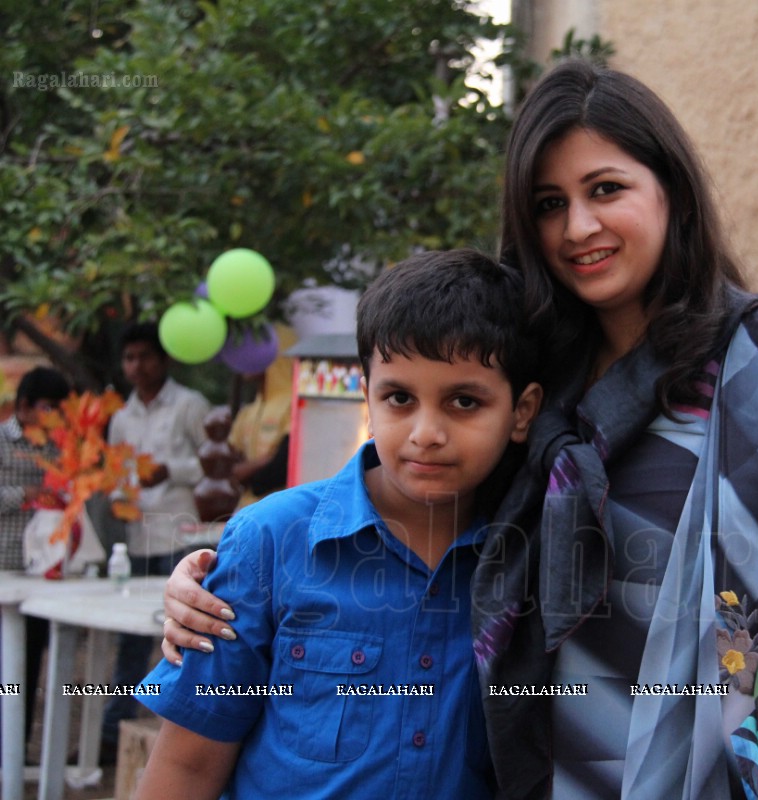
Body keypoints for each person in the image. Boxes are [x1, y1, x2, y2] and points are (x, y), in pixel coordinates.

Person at [160, 60, 758, 800]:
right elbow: (420, 516)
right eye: (548, 203)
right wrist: (226, 580)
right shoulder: (539, 373)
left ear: (671, 189)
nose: (578, 227)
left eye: (606, 189)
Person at [134, 250, 542, 799]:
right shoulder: (271, 541)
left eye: (464, 402)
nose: (426, 432)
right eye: (399, 397)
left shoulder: (530, 554)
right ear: (366, 394)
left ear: (521, 412)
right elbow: (186, 766)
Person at [102, 322, 212, 755]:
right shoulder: (121, 416)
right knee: (129, 637)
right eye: (129, 358)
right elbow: (117, 473)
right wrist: (116, 498)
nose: (137, 366)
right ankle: (115, 733)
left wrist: (174, 470)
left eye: (145, 356)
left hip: (184, 538)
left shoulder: (190, 404)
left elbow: (218, 463)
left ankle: (181, 736)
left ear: (163, 359)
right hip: (138, 538)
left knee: (184, 637)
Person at [0, 366, 70, 754]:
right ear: (24, 405)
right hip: (2, 569)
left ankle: (13, 750)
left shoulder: (59, 447)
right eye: (49, 407)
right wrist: (23, 493)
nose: (56, 416)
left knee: (25, 666)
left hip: (41, 573)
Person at [227, 324, 297, 507]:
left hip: (279, 512)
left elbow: (278, 469)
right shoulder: (248, 411)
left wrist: (246, 471)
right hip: (245, 511)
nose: (243, 355)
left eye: (252, 348)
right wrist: (259, 463)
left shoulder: (294, 404)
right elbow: (227, 465)